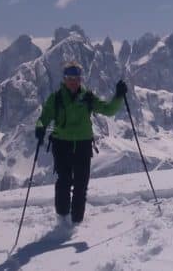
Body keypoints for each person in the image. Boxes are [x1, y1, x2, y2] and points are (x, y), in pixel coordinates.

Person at [35, 60, 128, 225]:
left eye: (76, 78)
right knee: (63, 183)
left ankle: (76, 223)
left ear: (80, 79)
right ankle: (62, 219)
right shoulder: (56, 98)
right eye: (70, 78)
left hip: (83, 146)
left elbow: (109, 110)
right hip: (61, 145)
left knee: (81, 185)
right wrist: (40, 127)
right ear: (64, 79)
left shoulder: (88, 97)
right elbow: (44, 117)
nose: (73, 81)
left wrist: (119, 96)